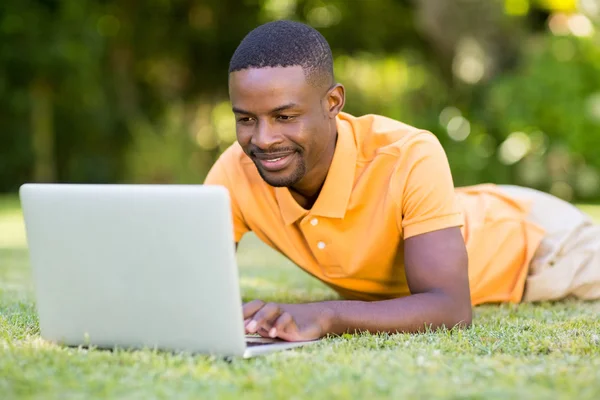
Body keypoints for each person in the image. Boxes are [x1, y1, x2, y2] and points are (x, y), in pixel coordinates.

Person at [204, 20, 600, 342]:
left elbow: (450, 309)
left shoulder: (408, 153)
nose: (263, 139)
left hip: (539, 247)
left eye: (285, 116)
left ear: (333, 103)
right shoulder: (235, 172)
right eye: (246, 119)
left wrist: (325, 315)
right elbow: (187, 286)